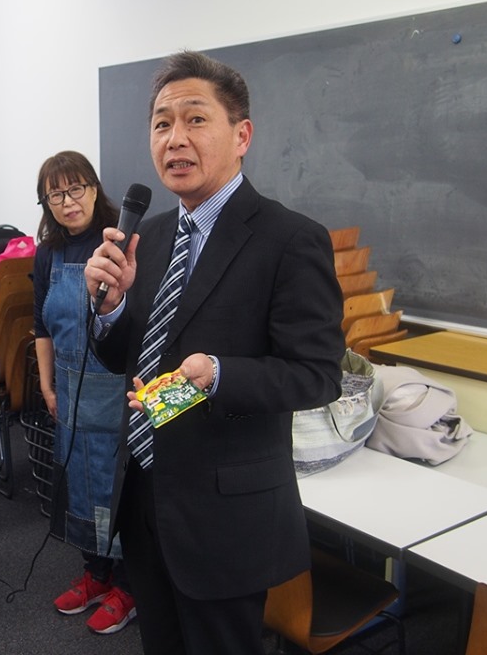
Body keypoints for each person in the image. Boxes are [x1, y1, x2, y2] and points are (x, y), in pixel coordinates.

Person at [83, 51, 345, 655]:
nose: (174, 138)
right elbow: (126, 357)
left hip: (226, 516)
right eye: (161, 123)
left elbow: (317, 375)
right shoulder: (151, 236)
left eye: (195, 119)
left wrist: (217, 376)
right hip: (143, 493)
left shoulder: (290, 239)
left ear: (241, 135)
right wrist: (111, 309)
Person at [33, 151, 136, 635]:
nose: (68, 202)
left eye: (76, 189)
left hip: (114, 393)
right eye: (55, 195)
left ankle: (129, 587)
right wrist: (46, 383)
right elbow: (42, 326)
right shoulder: (48, 253)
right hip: (70, 392)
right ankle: (96, 574)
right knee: (80, 485)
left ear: (95, 188)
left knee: (117, 491)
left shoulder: (120, 243)